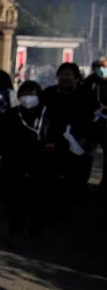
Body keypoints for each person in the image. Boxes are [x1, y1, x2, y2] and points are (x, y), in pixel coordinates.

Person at [0, 81, 53, 242]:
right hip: (16, 161)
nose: (28, 98)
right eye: (24, 94)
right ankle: (15, 231)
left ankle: (36, 228)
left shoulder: (47, 114)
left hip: (41, 161)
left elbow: (56, 134)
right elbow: (2, 136)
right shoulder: (12, 114)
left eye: (32, 94)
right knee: (16, 199)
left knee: (38, 196)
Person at [41, 63, 92, 194]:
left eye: (68, 75)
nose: (64, 77)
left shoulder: (85, 94)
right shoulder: (49, 93)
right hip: (54, 136)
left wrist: (85, 138)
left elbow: (91, 119)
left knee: (76, 172)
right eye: (62, 74)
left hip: (79, 137)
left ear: (76, 77)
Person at [81, 57, 107, 192]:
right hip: (90, 124)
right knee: (86, 154)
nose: (103, 70)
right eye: (100, 67)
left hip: (105, 123)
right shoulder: (87, 83)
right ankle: (83, 181)